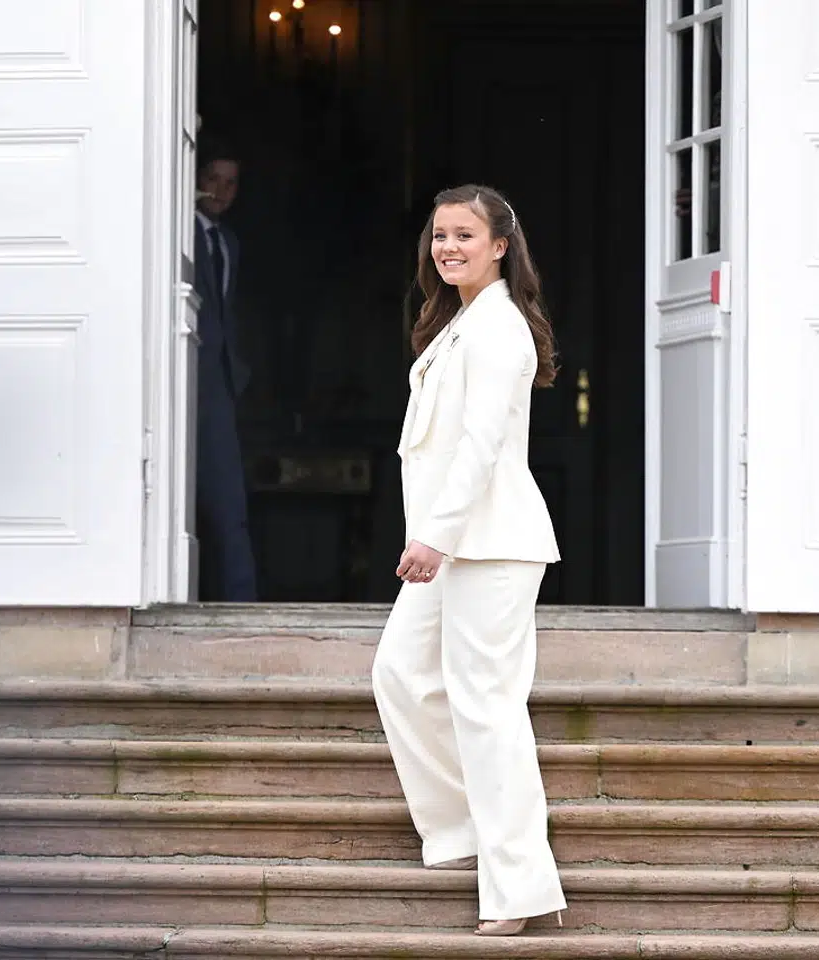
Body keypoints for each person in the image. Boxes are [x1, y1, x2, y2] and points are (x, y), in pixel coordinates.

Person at [370, 184, 564, 937]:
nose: (448, 247)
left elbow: (481, 448)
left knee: (487, 708)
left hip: (488, 545)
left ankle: (517, 888)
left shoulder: (498, 328)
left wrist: (435, 535)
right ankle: (463, 830)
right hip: (451, 547)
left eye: (464, 235)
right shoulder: (458, 323)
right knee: (398, 672)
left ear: (500, 245)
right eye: (439, 235)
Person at [193, 137, 257, 602]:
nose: (221, 190)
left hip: (221, 384)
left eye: (230, 183)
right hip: (182, 379)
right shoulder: (179, 232)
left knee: (228, 501)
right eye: (213, 179)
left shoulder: (229, 240)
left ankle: (241, 604)